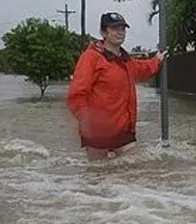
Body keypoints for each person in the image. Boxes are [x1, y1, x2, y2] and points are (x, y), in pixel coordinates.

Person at [67, 12, 164, 160]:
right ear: (103, 33)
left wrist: (157, 61)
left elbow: (141, 69)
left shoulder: (125, 60)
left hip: (123, 129)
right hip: (97, 131)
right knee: (98, 175)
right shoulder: (90, 58)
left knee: (131, 170)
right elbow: (76, 95)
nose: (120, 32)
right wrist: (88, 122)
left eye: (123, 28)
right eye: (115, 28)